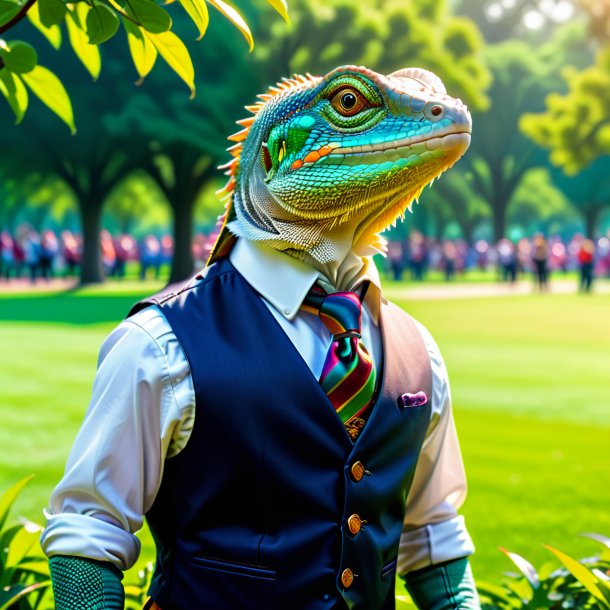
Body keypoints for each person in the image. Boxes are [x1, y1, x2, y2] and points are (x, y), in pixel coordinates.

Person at [41, 65, 479, 609]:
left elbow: (432, 536)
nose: (439, 114)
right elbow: (87, 537)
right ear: (275, 154)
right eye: (350, 105)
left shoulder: (418, 353)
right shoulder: (159, 344)